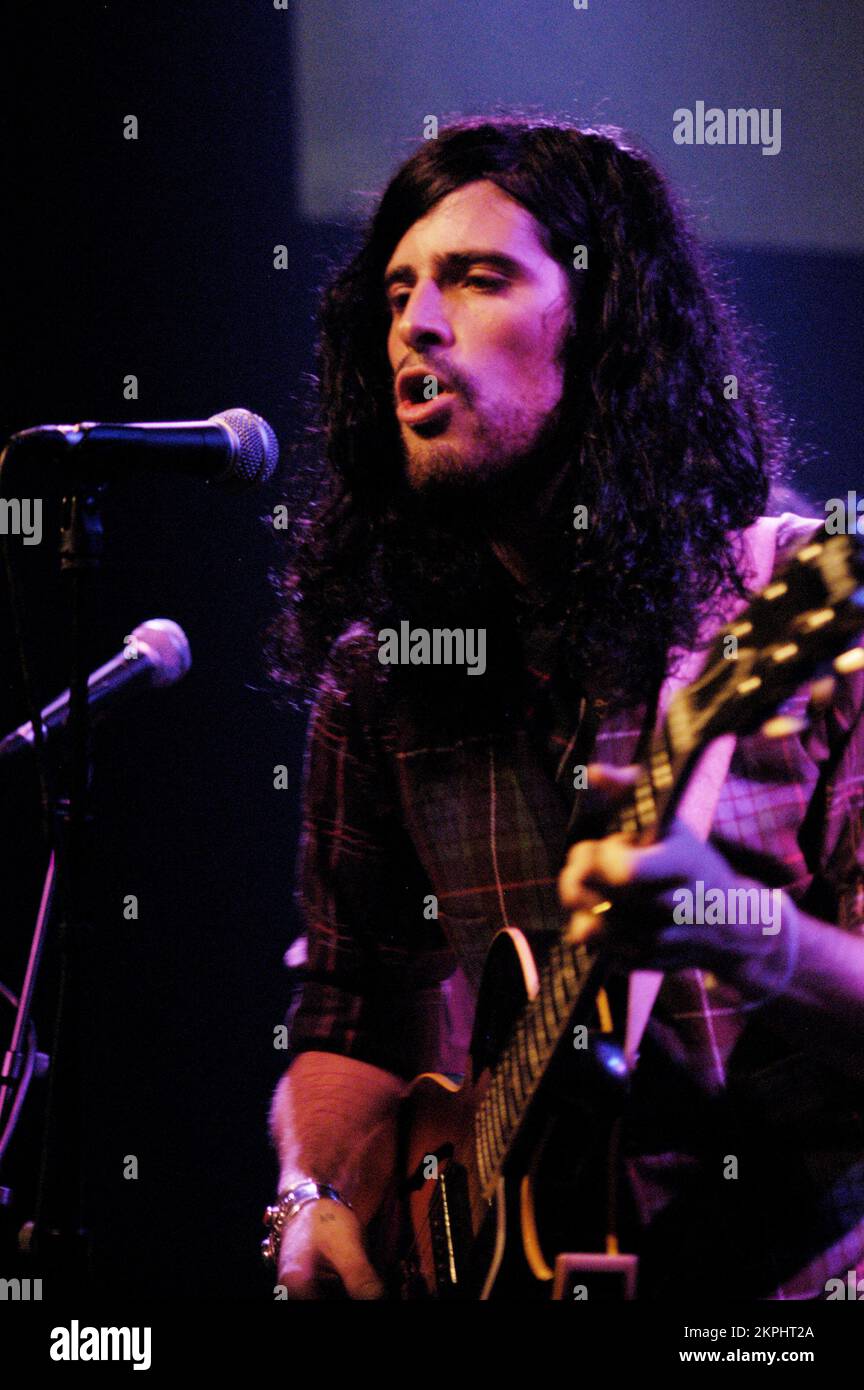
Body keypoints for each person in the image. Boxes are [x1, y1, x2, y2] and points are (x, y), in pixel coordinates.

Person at [265, 116, 864, 1300]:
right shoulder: (382, 685)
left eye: (478, 278)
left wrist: (747, 929)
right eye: (398, 292)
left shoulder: (798, 609)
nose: (417, 326)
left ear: (604, 328)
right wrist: (314, 1196)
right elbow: (347, 1019)